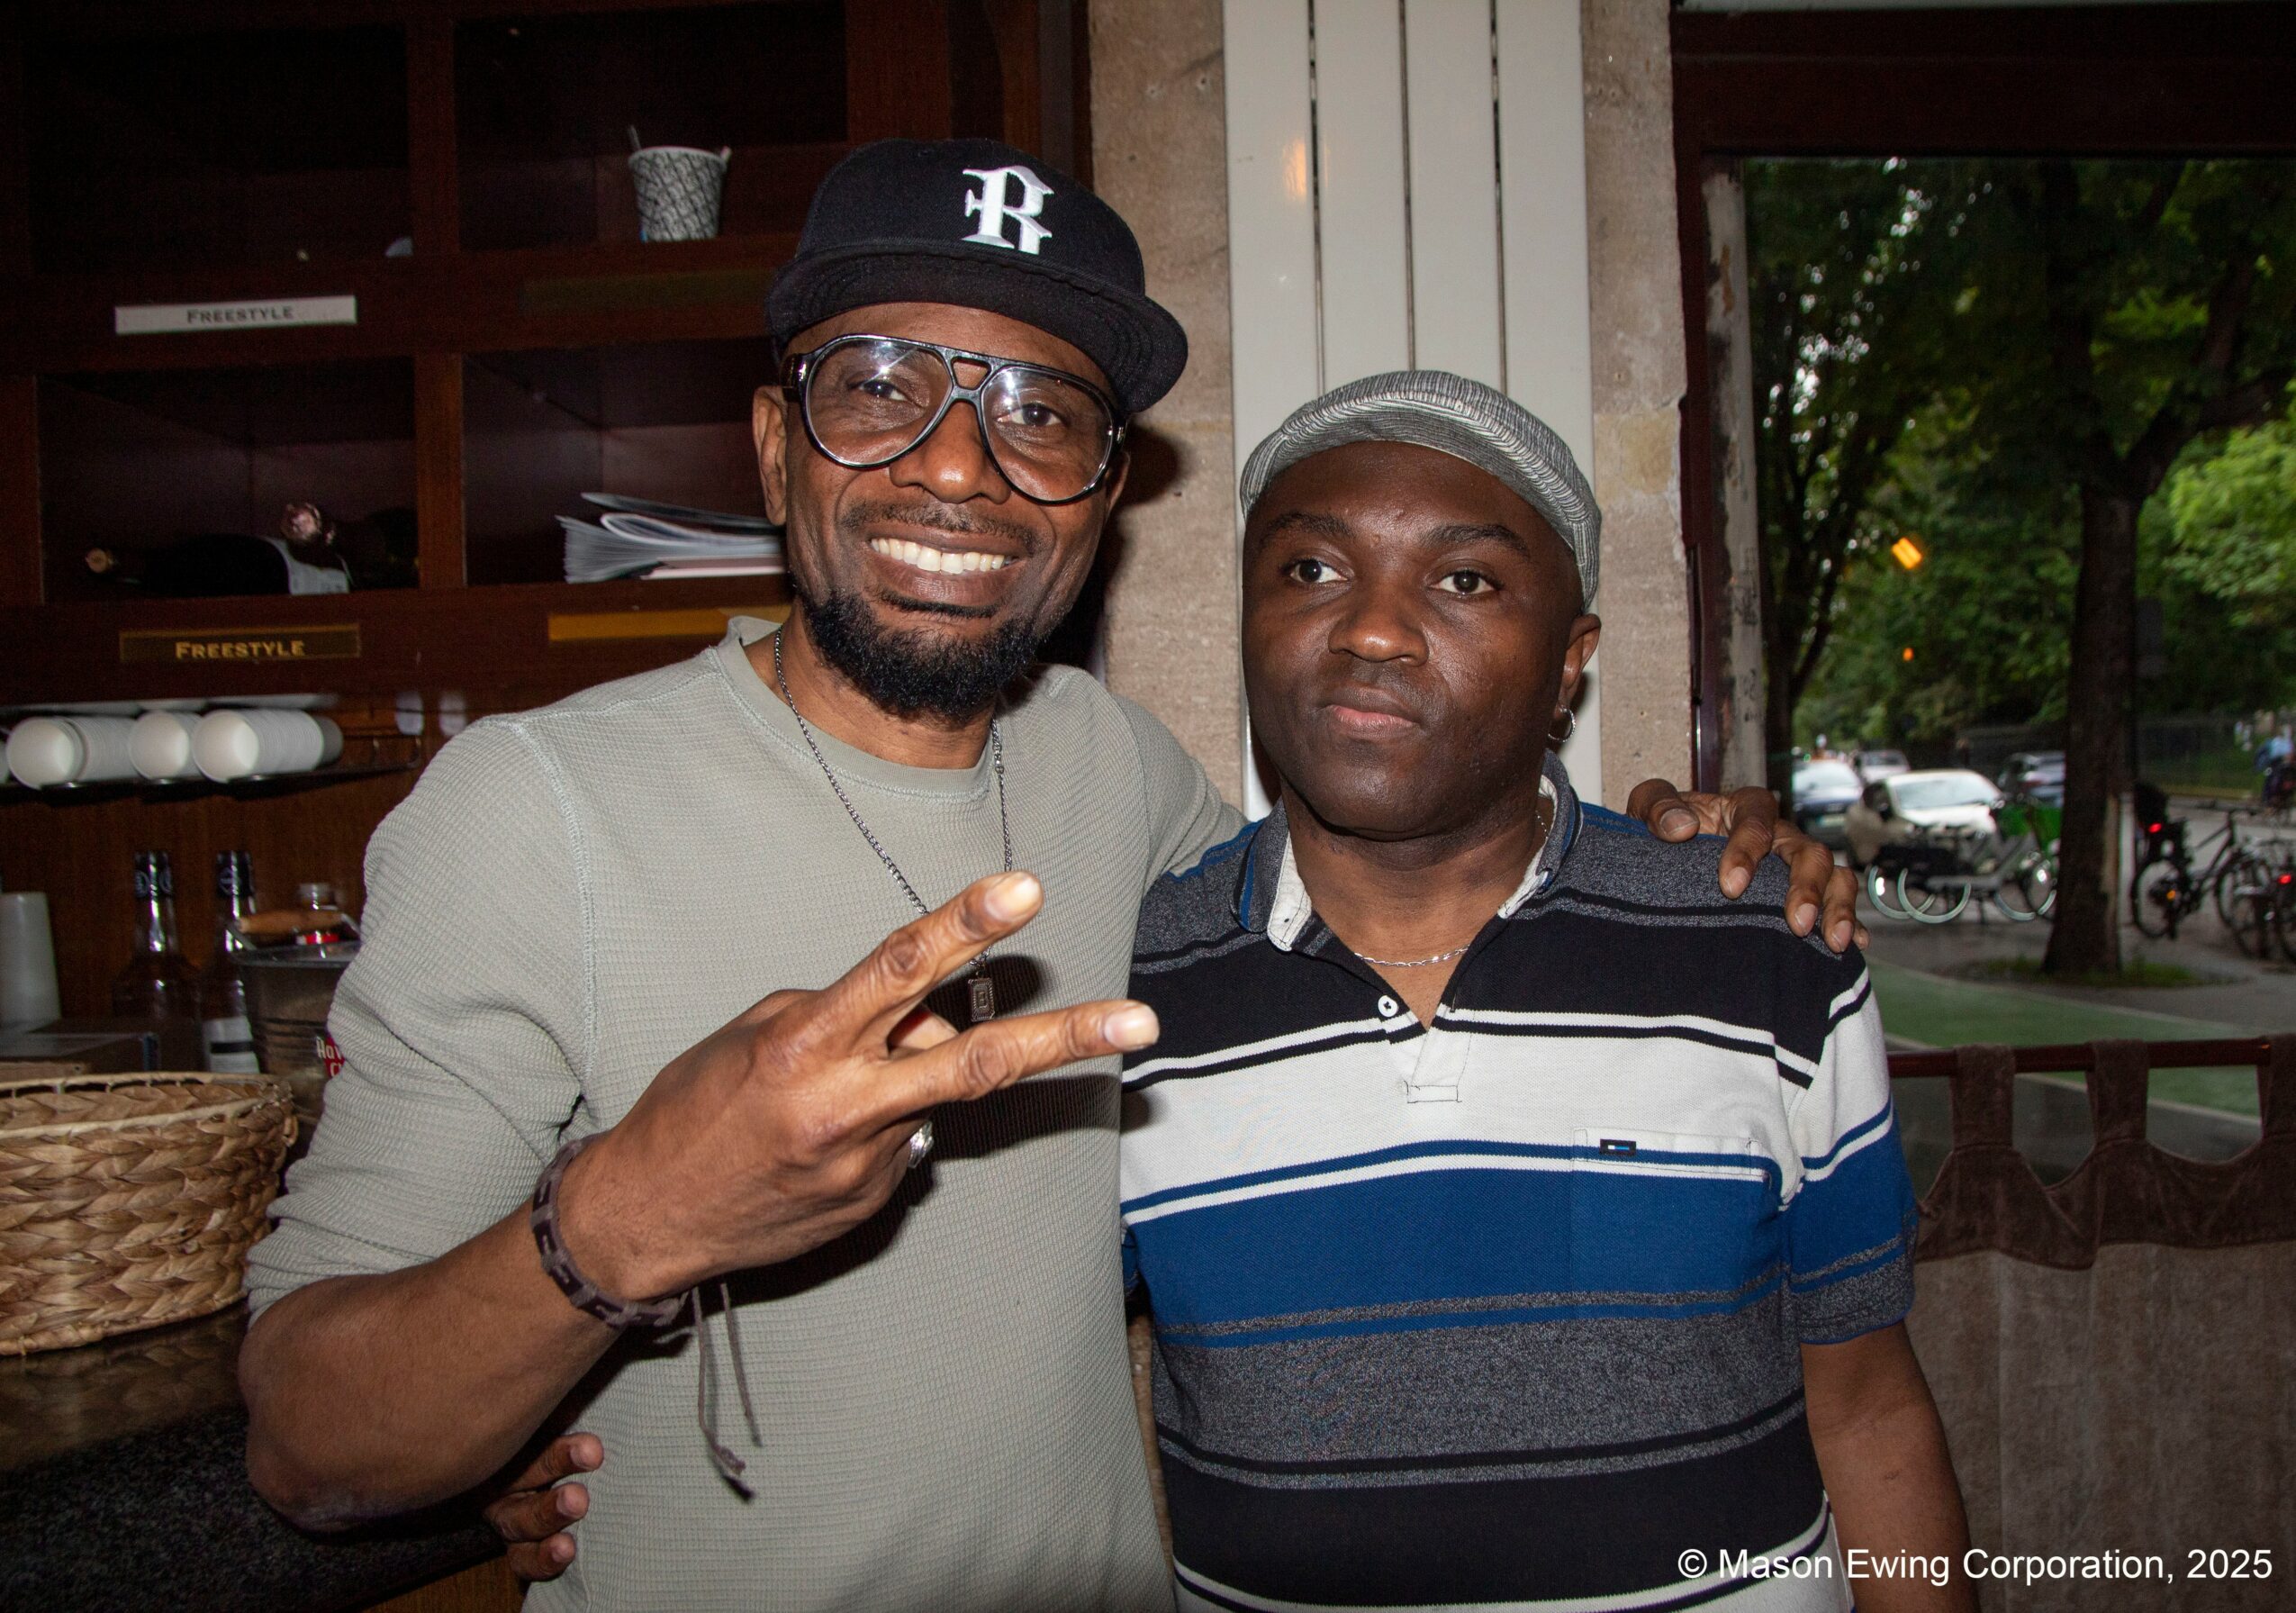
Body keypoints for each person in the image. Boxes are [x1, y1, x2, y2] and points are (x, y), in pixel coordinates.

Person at [243, 140, 1857, 1609]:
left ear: (1101, 496)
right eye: (879, 386)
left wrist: (1684, 837)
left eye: (1039, 414)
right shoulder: (532, 809)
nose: (958, 471)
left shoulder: (1121, 776)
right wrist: (623, 1225)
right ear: (774, 447)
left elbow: (1402, 866)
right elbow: (314, 1442)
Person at [1116, 374, 1970, 1611]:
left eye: (1465, 580)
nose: (1372, 630)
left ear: (1570, 662)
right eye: (1310, 570)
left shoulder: (1763, 948)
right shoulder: (1127, 992)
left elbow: (1869, 1406)